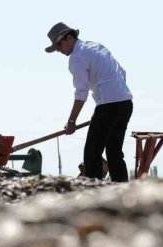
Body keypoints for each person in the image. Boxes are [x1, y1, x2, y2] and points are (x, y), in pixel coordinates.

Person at [45, 23, 133, 182]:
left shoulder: (77, 57)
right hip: (125, 102)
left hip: (109, 105)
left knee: (92, 153)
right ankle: (123, 189)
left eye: (59, 45)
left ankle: (94, 191)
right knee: (114, 152)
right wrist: (117, 95)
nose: (59, 50)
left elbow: (81, 93)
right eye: (56, 48)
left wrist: (71, 121)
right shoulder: (96, 46)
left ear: (70, 37)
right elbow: (122, 72)